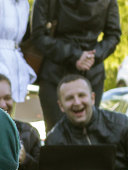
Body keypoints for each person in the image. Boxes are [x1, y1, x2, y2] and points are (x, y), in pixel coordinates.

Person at [31, 0, 122, 131]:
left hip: (88, 72)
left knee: (90, 133)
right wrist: (81, 56)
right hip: (57, 74)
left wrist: (90, 57)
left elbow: (113, 35)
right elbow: (38, 35)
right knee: (56, 134)